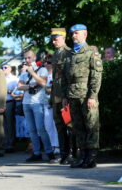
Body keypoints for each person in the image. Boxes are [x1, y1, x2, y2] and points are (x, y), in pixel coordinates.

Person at [62, 24, 103, 168]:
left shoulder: (91, 52)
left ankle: (91, 157)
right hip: (72, 95)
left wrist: (92, 96)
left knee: (91, 125)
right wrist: (65, 96)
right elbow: (64, 78)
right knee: (78, 126)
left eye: (77, 33)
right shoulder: (68, 54)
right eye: (72, 34)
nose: (74, 36)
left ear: (85, 34)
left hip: (86, 95)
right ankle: (82, 154)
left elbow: (96, 76)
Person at [18, 50, 56, 163]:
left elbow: (43, 84)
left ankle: (49, 152)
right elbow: (19, 86)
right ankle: (36, 153)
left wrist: (33, 73)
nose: (27, 60)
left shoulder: (42, 69)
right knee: (31, 130)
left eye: (29, 58)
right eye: (25, 58)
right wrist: (31, 85)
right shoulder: (24, 73)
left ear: (34, 58)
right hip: (26, 103)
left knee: (41, 128)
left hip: (37, 102)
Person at [50, 27, 76, 164]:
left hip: (66, 96)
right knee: (59, 126)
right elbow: (55, 78)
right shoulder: (55, 54)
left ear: (64, 37)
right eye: (52, 39)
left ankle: (72, 153)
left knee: (70, 126)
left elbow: (69, 77)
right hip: (56, 96)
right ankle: (63, 154)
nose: (54, 42)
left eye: (56, 38)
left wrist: (67, 96)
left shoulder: (69, 52)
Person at [43, 54, 59, 154]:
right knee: (47, 126)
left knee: (55, 125)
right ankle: (51, 146)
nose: (46, 64)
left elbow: (52, 89)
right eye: (46, 62)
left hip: (55, 102)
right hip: (45, 104)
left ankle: (57, 146)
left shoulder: (56, 75)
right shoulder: (43, 75)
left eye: (49, 62)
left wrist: (46, 88)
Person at [1, 63, 19, 153]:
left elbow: (17, 91)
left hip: (10, 102)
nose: (3, 69)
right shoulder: (1, 78)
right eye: (2, 67)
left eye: (5, 67)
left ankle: (11, 144)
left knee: (10, 124)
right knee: (2, 124)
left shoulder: (14, 79)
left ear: (10, 68)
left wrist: (8, 91)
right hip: (1, 102)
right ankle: (5, 143)